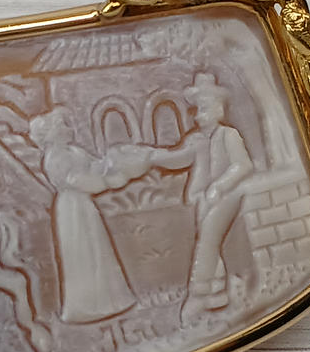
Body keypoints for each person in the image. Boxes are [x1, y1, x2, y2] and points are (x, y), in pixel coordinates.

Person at [148, 72, 253, 316]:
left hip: (226, 196)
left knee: (207, 240)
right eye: (197, 109)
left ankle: (198, 295)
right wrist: (152, 157)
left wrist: (220, 186)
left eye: (204, 108)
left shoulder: (228, 135)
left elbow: (243, 165)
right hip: (203, 198)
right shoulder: (196, 139)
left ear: (218, 109)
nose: (198, 115)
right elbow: (178, 159)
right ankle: (217, 296)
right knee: (209, 240)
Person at [30, 106, 137, 323]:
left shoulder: (74, 151)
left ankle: (111, 300)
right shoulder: (55, 157)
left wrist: (113, 165)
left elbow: (95, 165)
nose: (68, 128)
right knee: (82, 251)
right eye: (62, 125)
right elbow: (75, 180)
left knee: (96, 247)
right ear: (50, 134)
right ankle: (86, 306)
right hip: (72, 206)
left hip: (85, 204)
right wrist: (104, 182)